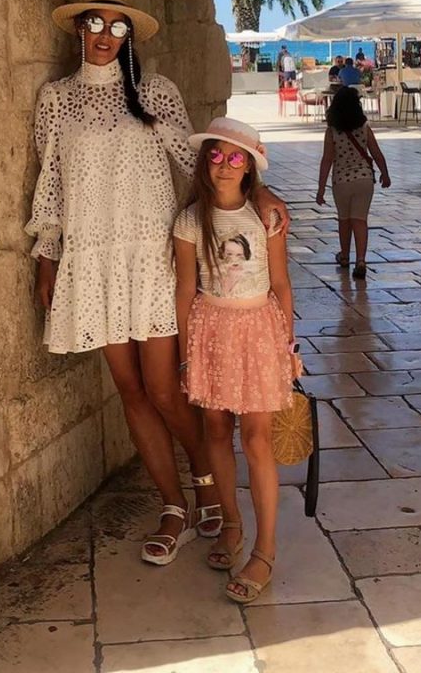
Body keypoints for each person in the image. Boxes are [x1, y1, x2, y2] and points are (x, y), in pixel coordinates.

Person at [26, 0, 289, 566]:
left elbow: (204, 161)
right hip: (93, 259)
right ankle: (174, 507)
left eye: (117, 26)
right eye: (96, 23)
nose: (105, 35)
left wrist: (260, 189)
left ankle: (208, 486)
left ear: (129, 36)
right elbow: (51, 179)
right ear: (79, 29)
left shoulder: (155, 91)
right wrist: (48, 257)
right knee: (131, 391)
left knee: (167, 391)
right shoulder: (56, 99)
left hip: (151, 258)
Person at [173, 118, 301, 604]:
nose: (224, 165)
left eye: (235, 157)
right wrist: (186, 356)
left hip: (258, 330)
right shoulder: (191, 221)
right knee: (216, 429)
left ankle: (265, 549)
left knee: (257, 438)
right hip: (211, 330)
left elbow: (281, 283)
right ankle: (231, 523)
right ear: (204, 161)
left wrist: (288, 346)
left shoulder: (266, 218)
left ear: (249, 167)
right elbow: (186, 290)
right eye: (216, 155)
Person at [316, 87, 391, 280]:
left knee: (344, 220)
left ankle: (344, 256)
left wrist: (321, 188)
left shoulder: (332, 132)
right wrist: (385, 174)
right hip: (364, 180)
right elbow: (376, 153)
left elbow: (327, 160)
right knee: (360, 219)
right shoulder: (364, 128)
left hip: (341, 181)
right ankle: (361, 260)